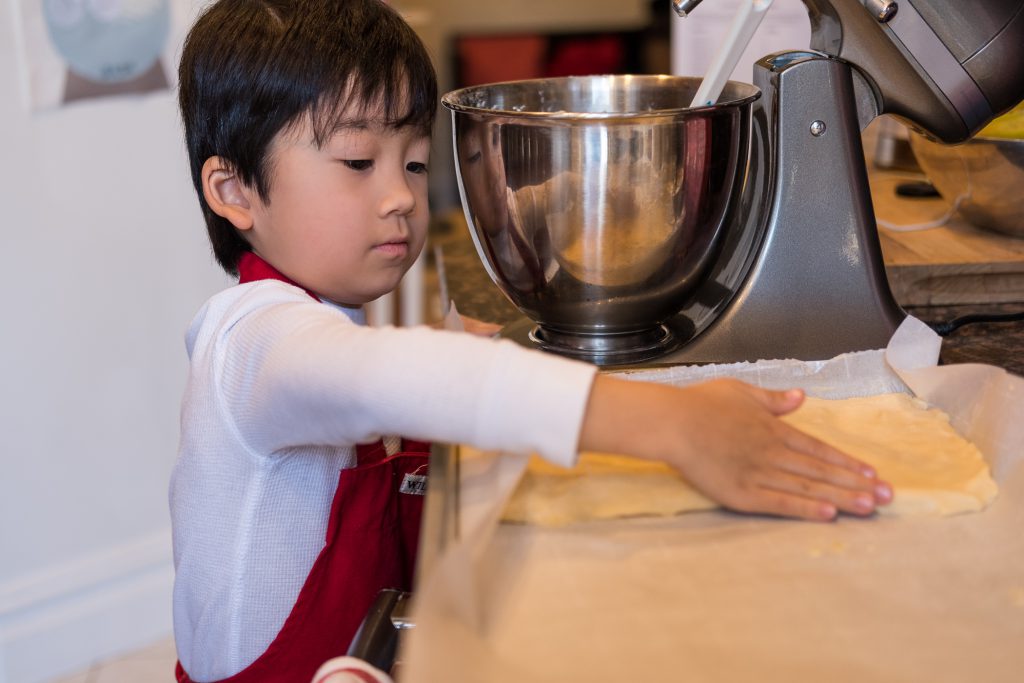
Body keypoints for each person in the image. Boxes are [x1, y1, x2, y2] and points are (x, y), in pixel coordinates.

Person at [169, 1, 893, 681]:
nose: (400, 196)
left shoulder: (315, 323)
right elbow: (384, 376)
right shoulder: (251, 339)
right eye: (359, 162)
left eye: (415, 163)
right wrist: (680, 425)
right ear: (234, 191)